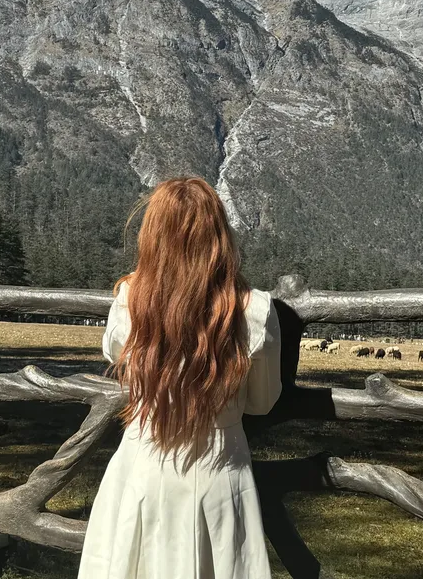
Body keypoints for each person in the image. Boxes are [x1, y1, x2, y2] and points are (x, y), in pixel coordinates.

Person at [77, 176, 282, 579]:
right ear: (220, 236)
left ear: (152, 236)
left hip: (143, 465)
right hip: (221, 475)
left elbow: (116, 356)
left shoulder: (129, 302)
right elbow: (261, 402)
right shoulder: (254, 311)